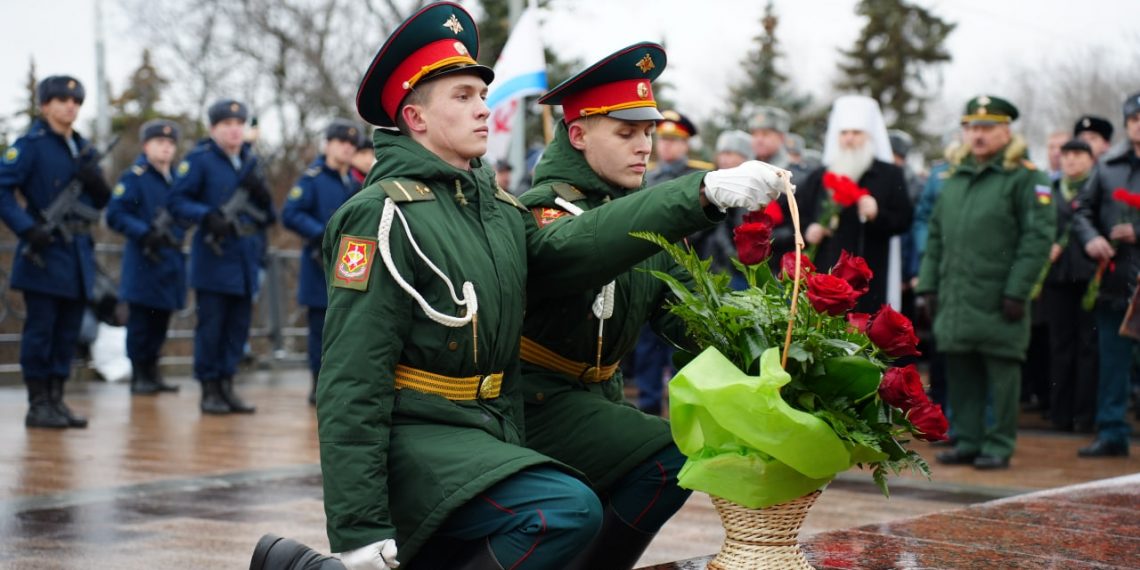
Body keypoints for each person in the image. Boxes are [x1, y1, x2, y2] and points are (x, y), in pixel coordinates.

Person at [259, 10, 788, 567]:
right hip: (418, 433)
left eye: (481, 95)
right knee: (561, 511)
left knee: (569, 508)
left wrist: (794, 366)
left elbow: (593, 255)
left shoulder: (497, 213)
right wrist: (359, 527)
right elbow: (352, 381)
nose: (484, 107)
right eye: (462, 96)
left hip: (490, 424)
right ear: (414, 117)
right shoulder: (383, 217)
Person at [518, 42, 788, 568]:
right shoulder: (543, 211)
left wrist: (783, 366)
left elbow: (689, 325)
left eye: (647, 131)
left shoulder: (639, 218)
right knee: (667, 456)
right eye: (625, 132)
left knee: (655, 461)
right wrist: (701, 195)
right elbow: (584, 247)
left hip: (596, 400)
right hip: (531, 405)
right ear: (577, 135)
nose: (643, 145)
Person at [918, 95, 1056, 470]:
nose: (977, 135)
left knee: (1002, 373)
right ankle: (968, 439)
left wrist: (1018, 289)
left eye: (987, 128)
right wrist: (928, 285)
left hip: (999, 295)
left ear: (1006, 131)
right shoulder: (955, 177)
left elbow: (1038, 238)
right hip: (956, 294)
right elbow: (935, 235)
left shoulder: (1025, 178)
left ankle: (998, 443)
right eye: (971, 127)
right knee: (961, 369)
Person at [0, 75, 112, 429]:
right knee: (41, 331)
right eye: (62, 99)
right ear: (45, 105)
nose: (70, 106)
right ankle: (38, 403)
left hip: (77, 254)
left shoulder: (83, 147)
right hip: (43, 252)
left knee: (68, 332)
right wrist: (26, 228)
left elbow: (103, 200)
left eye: (76, 101)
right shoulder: (30, 145)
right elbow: (2, 190)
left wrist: (96, 182)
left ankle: (57, 399)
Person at [169, 98, 275, 415]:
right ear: (214, 129)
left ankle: (228, 386)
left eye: (238, 125)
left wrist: (260, 192)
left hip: (244, 258)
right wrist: (207, 215)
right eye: (227, 125)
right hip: (214, 258)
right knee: (212, 328)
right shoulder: (200, 161)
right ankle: (209, 389)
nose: (234, 130)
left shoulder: (249, 163)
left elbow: (270, 216)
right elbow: (176, 201)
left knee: (237, 328)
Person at [1071, 91, 1140, 458]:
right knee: (1111, 359)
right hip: (1115, 278)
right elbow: (1081, 210)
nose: (1139, 125)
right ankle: (1111, 431)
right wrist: (1092, 238)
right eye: (1134, 119)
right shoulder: (1108, 165)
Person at [797, 95, 913, 312]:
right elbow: (797, 212)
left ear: (869, 136)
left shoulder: (889, 175)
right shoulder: (820, 175)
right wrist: (808, 229)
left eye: (856, 133)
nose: (849, 139)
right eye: (844, 133)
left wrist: (878, 214)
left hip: (870, 281)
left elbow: (904, 219)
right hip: (826, 278)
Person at [634, 110, 714, 415]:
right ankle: (647, 407)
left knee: (683, 345)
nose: (666, 147)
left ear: (686, 144)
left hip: (688, 269)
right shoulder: (645, 175)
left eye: (674, 141)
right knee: (646, 347)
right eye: (663, 140)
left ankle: (684, 410)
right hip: (650, 270)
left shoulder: (700, 176)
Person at [282, 119, 363, 405]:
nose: (346, 148)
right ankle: (318, 384)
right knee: (320, 330)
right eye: (341, 142)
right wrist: (320, 233)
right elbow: (290, 213)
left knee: (346, 329)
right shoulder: (312, 179)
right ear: (328, 144)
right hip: (318, 266)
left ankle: (340, 382)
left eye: (352, 144)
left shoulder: (354, 183)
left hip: (349, 267)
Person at [105, 119, 186, 395]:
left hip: (169, 260)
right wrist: (144, 232)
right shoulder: (135, 177)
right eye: (159, 142)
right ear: (146, 145)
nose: (165, 148)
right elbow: (115, 215)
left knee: (161, 321)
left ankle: (153, 372)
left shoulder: (178, 180)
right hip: (143, 260)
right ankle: (140, 374)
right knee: (141, 322)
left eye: (170, 143)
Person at [1042, 138, 1098, 433]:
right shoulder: (1050, 191)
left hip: (1091, 277)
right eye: (1066, 155)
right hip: (1058, 278)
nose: (1071, 161)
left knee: (1088, 346)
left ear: (1090, 159)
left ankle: (1085, 415)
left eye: (1078, 155)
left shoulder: (1097, 188)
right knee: (1060, 345)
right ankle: (1060, 413)